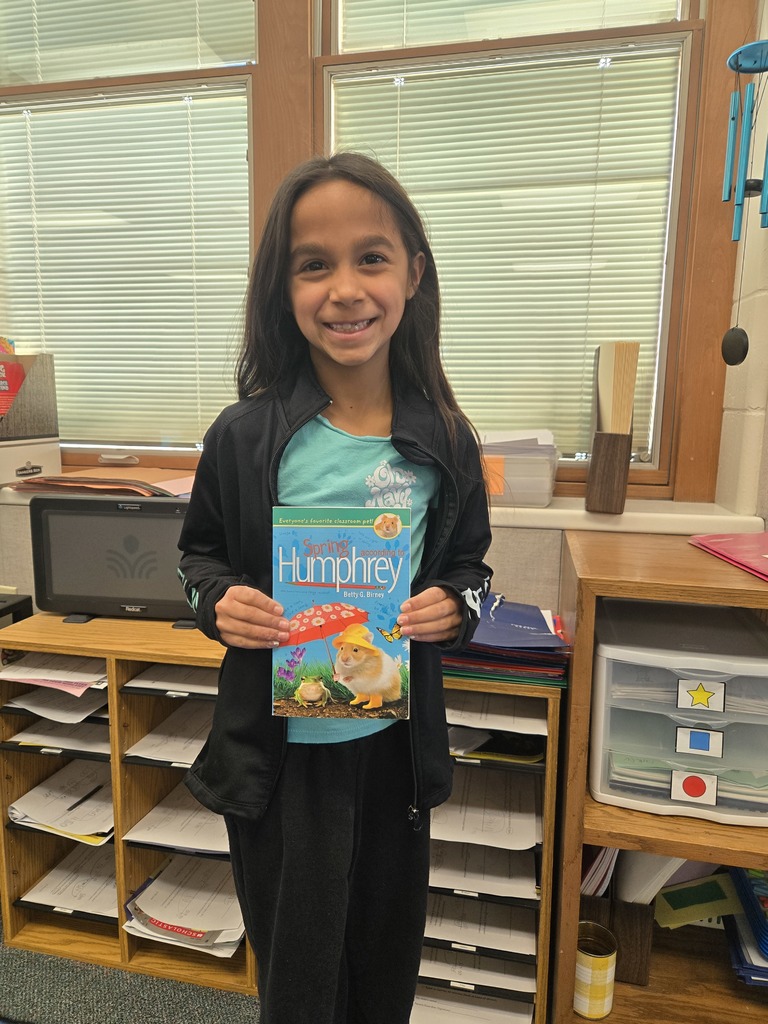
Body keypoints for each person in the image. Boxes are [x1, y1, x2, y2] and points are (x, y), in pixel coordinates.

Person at [177, 151, 493, 1024]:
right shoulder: (243, 436)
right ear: (283, 288)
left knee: (384, 967)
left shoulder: (446, 440)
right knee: (301, 981)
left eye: (371, 258)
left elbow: (472, 570)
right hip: (282, 766)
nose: (344, 288)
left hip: (392, 755)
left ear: (413, 274)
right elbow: (197, 557)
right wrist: (217, 604)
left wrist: (453, 606)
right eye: (313, 264)